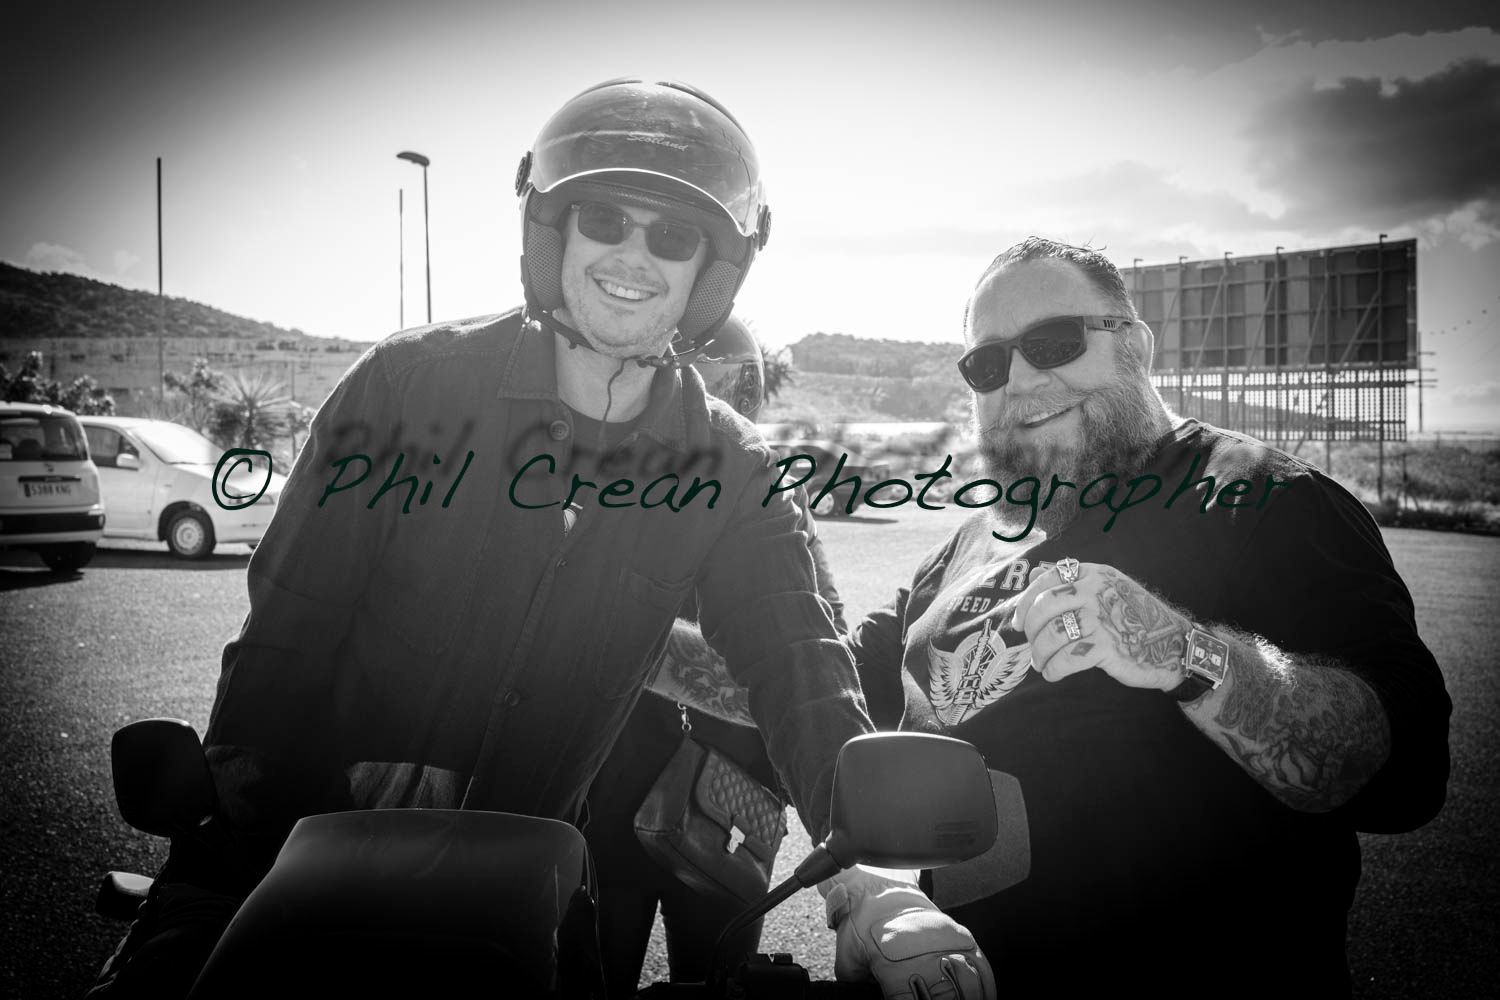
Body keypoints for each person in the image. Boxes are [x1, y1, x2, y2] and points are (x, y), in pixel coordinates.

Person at [88, 78, 988, 999]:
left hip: (530, 902)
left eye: (672, 235)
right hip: (289, 867)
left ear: (711, 272)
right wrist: (216, 858)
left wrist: (869, 886)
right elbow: (284, 640)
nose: (633, 254)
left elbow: (799, 658)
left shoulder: (729, 464)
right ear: (551, 232)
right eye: (603, 217)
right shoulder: (406, 390)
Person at [845, 237, 1452, 996]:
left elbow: (1406, 776)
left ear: (1135, 345)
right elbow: (808, 678)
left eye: (1054, 342)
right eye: (988, 362)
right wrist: (652, 637)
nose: (1022, 377)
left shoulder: (1263, 500)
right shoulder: (969, 545)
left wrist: (1185, 655)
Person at [584, 317, 849, 996]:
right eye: (702, 382)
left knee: (723, 982)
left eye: (739, 385)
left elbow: (820, 654)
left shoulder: (767, 492)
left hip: (733, 803)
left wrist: (634, 645)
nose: (720, 404)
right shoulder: (605, 489)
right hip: (606, 802)